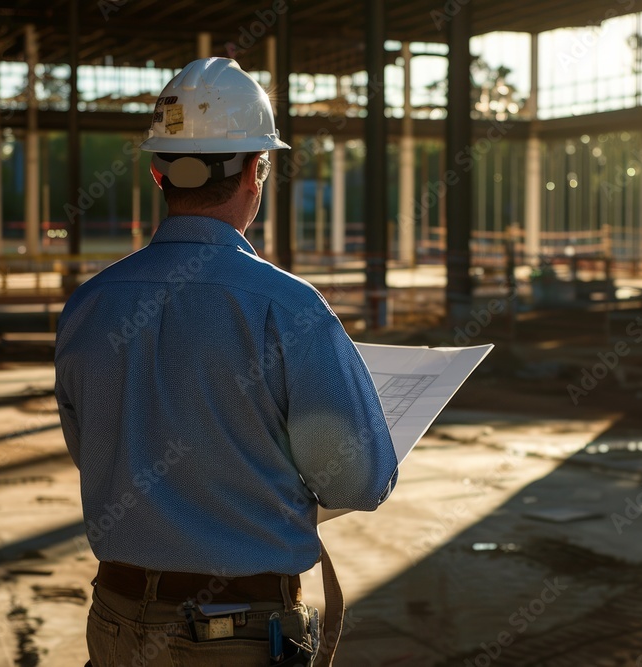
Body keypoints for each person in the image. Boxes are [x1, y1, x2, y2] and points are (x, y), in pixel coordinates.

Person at [55, 57, 399, 667]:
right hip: (235, 635)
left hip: (113, 624)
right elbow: (355, 482)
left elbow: (99, 454)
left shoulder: (91, 305)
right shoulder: (287, 308)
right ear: (254, 172)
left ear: (160, 176)